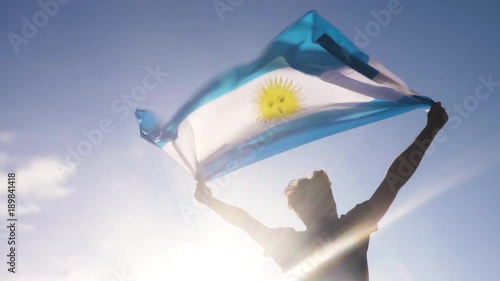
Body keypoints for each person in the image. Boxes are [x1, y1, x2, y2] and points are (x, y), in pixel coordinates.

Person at [195, 102, 448, 281]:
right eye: (319, 201)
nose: (328, 205)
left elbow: (394, 181)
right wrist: (211, 201)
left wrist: (430, 130)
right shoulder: (291, 244)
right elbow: (246, 223)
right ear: (302, 213)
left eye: (328, 197)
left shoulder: (351, 226)